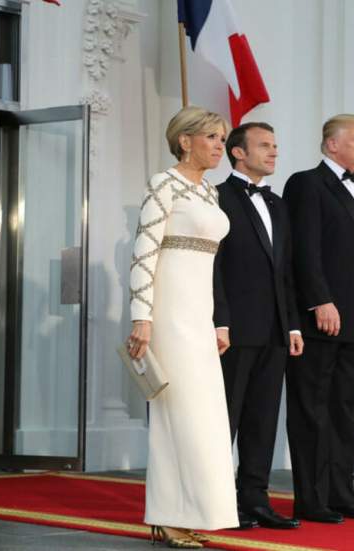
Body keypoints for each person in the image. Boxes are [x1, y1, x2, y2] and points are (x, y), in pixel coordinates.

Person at [126, 106, 237, 548]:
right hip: (169, 314)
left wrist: (218, 321)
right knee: (179, 414)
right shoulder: (162, 183)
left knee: (204, 417)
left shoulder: (209, 192)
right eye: (211, 137)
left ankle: (186, 512)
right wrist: (142, 316)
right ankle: (169, 515)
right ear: (185, 140)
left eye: (222, 139)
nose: (219, 146)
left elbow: (211, 266)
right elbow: (144, 253)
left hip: (199, 313)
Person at [282, 114, 354, 524]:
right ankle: (311, 499)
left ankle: (341, 495)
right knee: (312, 408)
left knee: (346, 411)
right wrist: (319, 300)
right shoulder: (306, 184)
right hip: (322, 319)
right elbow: (304, 250)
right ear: (332, 144)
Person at [212, 122, 302, 530]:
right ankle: (215, 501)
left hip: (275, 332)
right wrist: (220, 321)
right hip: (232, 331)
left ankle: (255, 499)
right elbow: (213, 268)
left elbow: (286, 272)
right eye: (264, 145)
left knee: (263, 419)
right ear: (238, 152)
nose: (273, 152)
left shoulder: (278, 204)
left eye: (275, 145)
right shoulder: (216, 198)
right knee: (224, 419)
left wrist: (293, 326)